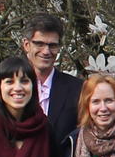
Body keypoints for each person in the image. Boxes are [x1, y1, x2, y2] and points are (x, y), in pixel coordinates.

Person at [23, 13, 83, 142]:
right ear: (27, 45)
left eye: (52, 45)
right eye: (39, 44)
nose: (46, 51)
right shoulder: (12, 88)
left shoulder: (77, 89)